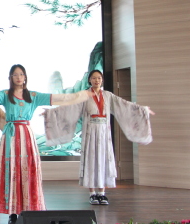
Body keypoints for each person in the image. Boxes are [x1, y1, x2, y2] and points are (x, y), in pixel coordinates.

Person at [0, 64, 90, 215]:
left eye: (21, 74)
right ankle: (12, 211)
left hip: (26, 135)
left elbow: (59, 98)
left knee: (28, 170)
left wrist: (82, 95)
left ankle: (29, 208)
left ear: (25, 77)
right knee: (10, 170)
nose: (19, 77)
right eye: (15, 75)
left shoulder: (33, 96)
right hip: (11, 136)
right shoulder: (5, 95)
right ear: (10, 78)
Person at [43, 69, 154, 205]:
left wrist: (142, 110)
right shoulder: (84, 95)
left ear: (102, 80)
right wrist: (51, 113)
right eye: (94, 78)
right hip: (90, 132)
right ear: (90, 80)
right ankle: (92, 193)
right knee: (91, 161)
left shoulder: (108, 95)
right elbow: (70, 108)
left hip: (104, 133)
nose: (97, 80)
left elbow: (124, 105)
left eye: (99, 78)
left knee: (103, 160)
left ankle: (102, 193)